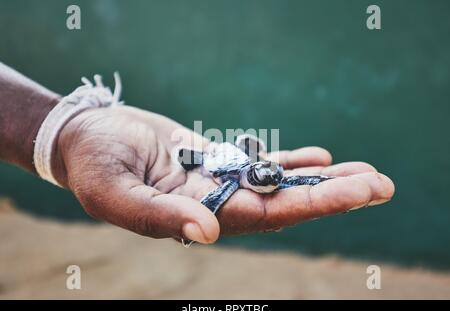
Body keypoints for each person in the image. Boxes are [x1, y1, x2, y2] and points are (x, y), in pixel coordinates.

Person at [0, 62, 395, 245]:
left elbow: (274, 175)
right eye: (267, 176)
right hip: (219, 164)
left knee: (295, 175)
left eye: (270, 175)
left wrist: (60, 127)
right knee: (207, 171)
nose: (272, 180)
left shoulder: (262, 172)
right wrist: (67, 132)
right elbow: (224, 184)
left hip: (235, 159)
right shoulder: (227, 180)